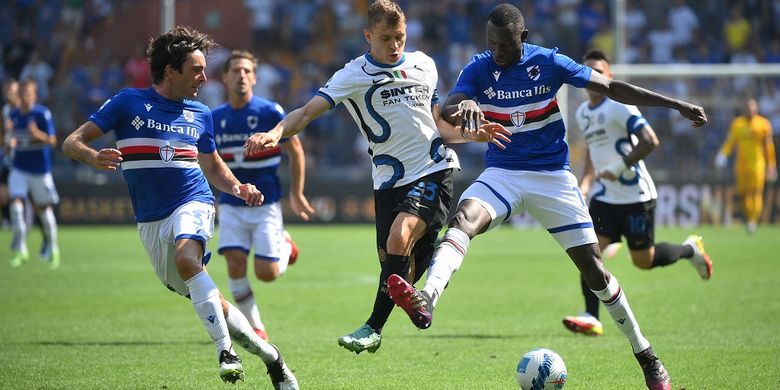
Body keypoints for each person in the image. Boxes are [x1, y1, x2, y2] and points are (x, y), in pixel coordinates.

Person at [385, 5, 707, 390]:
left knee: (595, 272)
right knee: (463, 220)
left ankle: (647, 356)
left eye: (504, 44)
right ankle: (428, 299)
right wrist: (464, 105)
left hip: (553, 177)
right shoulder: (479, 67)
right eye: (491, 44)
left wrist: (675, 104)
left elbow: (610, 87)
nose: (497, 52)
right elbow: (452, 106)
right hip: (503, 172)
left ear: (523, 38)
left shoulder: (549, 62)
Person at [244, 0, 510, 355]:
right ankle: (417, 298)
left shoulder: (424, 65)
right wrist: (277, 133)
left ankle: (373, 326)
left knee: (400, 238)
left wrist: (470, 134)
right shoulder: (352, 75)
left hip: (434, 168)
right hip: (387, 181)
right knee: (402, 267)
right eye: (386, 38)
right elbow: (307, 112)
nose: (394, 45)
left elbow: (440, 126)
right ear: (368, 35)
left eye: (399, 36)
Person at [62, 26, 298, 388]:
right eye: (196, 70)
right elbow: (71, 142)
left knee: (188, 259)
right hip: (150, 221)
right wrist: (93, 157)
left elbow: (213, 165)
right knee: (216, 306)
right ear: (171, 70)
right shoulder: (128, 102)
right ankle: (274, 358)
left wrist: (238, 187)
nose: (205, 78)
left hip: (194, 201)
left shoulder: (201, 113)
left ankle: (224, 352)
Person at [562, 50, 713, 337]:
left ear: (609, 77)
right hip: (605, 198)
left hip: (636, 197)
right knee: (587, 253)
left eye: (598, 72)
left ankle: (690, 249)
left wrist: (619, 167)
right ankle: (591, 316)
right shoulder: (583, 113)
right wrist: (585, 182)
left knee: (643, 260)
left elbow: (649, 140)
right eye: (587, 73)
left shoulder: (620, 107)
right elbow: (595, 155)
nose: (592, 78)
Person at [213, 50, 314, 341]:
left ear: (254, 77)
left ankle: (285, 245)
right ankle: (255, 325)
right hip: (232, 203)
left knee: (266, 273)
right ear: (225, 77)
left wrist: (296, 193)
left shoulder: (270, 112)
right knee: (234, 263)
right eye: (235, 71)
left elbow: (296, 151)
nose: (241, 76)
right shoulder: (214, 117)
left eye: (247, 71)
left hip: (266, 204)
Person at [7, 80, 60, 269]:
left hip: (39, 171)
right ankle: (21, 250)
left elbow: (53, 141)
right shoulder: (13, 115)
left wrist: (37, 134)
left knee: (44, 212)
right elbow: (10, 141)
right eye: (22, 92)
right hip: (19, 168)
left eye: (28, 92)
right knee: (16, 207)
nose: (24, 96)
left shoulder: (42, 114)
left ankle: (54, 249)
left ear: (34, 95)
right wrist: (9, 143)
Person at [715, 97, 777, 234]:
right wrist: (723, 155)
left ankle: (753, 221)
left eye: (752, 107)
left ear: (756, 109)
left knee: (756, 193)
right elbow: (730, 142)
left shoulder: (764, 124)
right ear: (744, 109)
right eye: (748, 107)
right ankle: (750, 219)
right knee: (744, 194)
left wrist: (771, 165)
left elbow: (768, 147)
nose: (750, 110)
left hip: (757, 165)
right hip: (741, 166)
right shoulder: (737, 124)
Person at [1, 79, 20, 229]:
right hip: (9, 159)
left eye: (12, 92)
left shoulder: (27, 110)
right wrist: (5, 143)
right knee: (4, 196)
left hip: (26, 160)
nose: (10, 95)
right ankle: (8, 220)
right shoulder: (5, 111)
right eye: (7, 92)